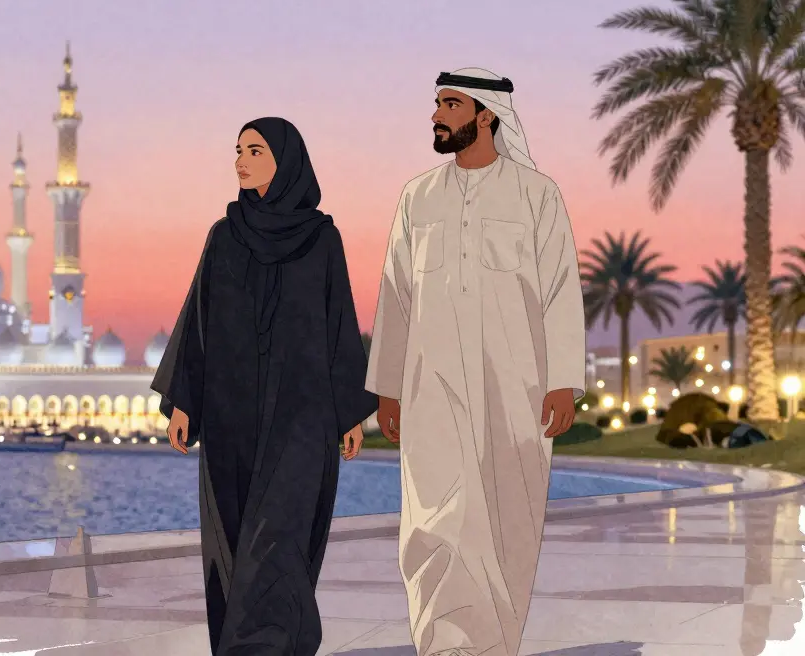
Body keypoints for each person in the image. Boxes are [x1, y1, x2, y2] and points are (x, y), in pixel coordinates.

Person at [367, 68, 586, 656]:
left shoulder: (537, 195)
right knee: (432, 520)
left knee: (507, 518)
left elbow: (561, 291)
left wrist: (563, 382)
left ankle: (495, 647)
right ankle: (440, 645)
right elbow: (395, 295)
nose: (437, 115)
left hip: (513, 389)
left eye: (450, 104)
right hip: (429, 388)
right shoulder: (417, 197)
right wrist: (386, 389)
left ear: (485, 114)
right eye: (436, 103)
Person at [152, 117, 377, 655]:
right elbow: (198, 321)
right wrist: (185, 399)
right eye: (237, 150)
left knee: (280, 537)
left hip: (302, 416)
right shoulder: (223, 236)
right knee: (231, 539)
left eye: (254, 150)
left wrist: (349, 411)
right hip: (229, 414)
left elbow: (339, 323)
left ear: (286, 160)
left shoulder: (323, 239)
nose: (240, 160)